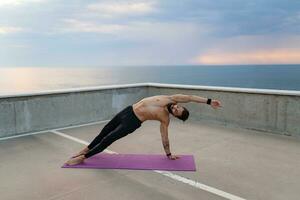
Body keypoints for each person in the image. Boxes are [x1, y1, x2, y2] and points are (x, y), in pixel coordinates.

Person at [65, 94, 222, 165]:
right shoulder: (171, 98)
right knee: (104, 131)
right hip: (127, 111)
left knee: (109, 139)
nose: (175, 108)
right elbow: (190, 97)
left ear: (175, 116)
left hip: (132, 122)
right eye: (178, 107)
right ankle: (85, 149)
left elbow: (164, 138)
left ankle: (84, 157)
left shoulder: (164, 118)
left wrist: (168, 154)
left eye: (176, 111)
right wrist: (209, 101)